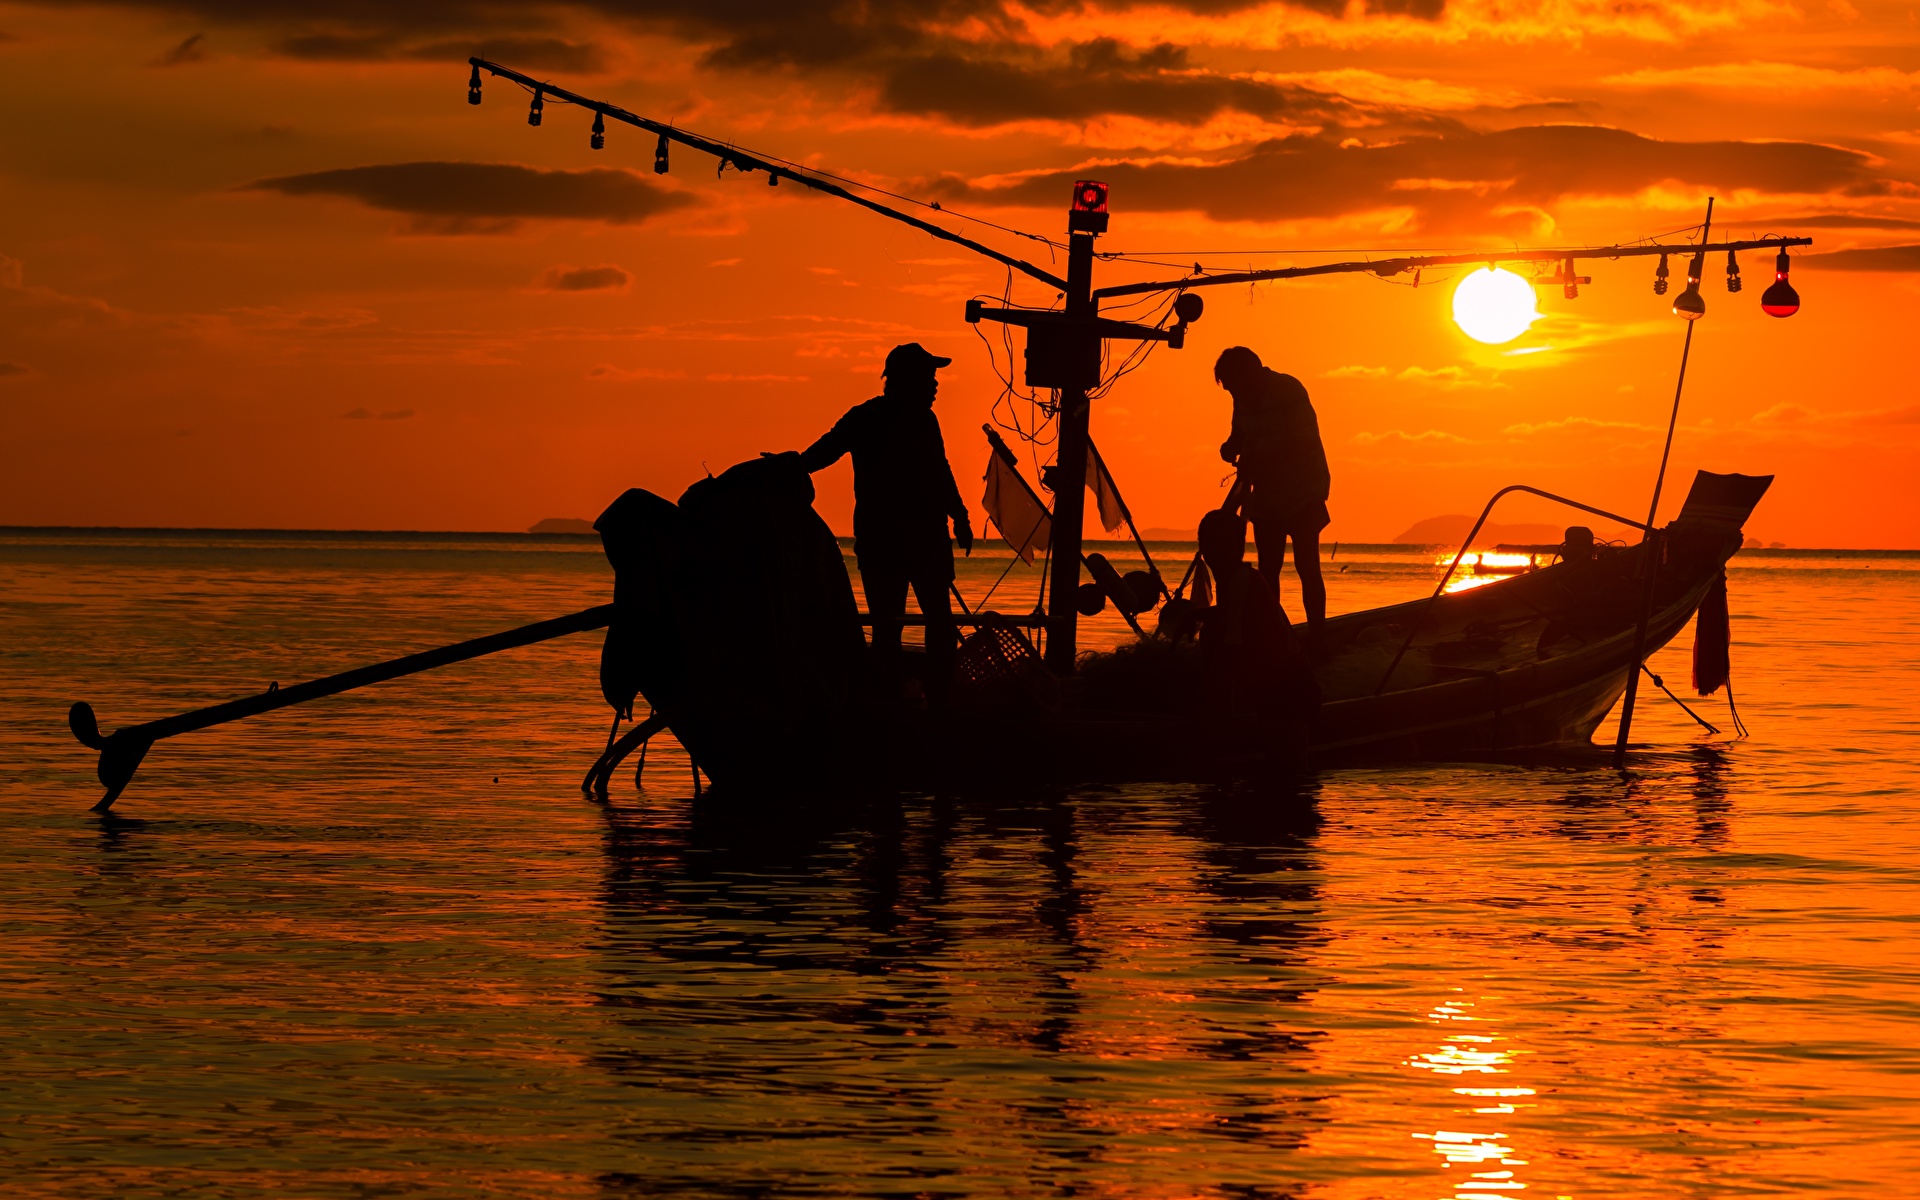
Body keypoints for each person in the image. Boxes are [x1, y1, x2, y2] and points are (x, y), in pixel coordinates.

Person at [799, 343, 972, 702]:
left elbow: (940, 470)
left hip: (908, 539)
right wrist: (790, 468)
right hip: (895, 541)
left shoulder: (916, 419)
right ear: (907, 380)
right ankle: (906, 697)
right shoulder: (872, 417)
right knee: (903, 622)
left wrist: (960, 515)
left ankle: (923, 696)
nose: (935, 385)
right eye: (928, 378)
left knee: (919, 621)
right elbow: (823, 452)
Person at [1214, 345, 1331, 652]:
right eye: (1228, 390)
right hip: (1266, 495)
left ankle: (1318, 637)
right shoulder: (1243, 397)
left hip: (1303, 490)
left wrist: (1257, 458)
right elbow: (1241, 435)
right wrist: (1230, 446)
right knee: (1268, 571)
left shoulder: (1287, 390)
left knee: (1307, 566)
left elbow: (1296, 441)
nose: (1232, 393)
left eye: (1233, 386)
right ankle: (1272, 637)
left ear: (1249, 374)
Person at [1196, 509, 1315, 717]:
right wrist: (1194, 615)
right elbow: (1228, 613)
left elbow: (1230, 650)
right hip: (1274, 682)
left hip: (1287, 691)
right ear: (1202, 548)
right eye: (1212, 543)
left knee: (1212, 639)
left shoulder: (1242, 581)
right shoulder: (1233, 580)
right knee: (1209, 633)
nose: (1218, 550)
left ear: (1240, 546)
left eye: (1225, 543)